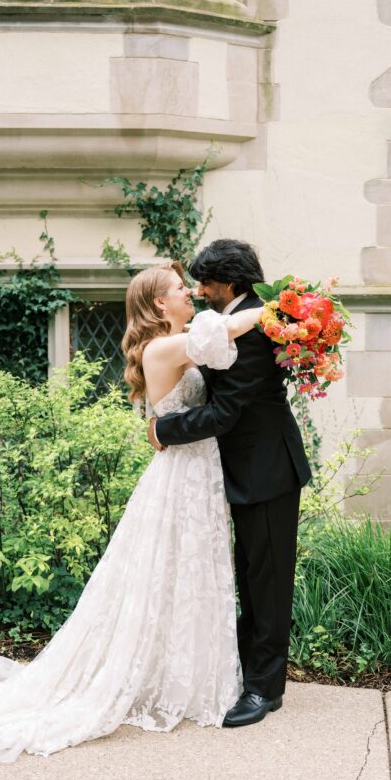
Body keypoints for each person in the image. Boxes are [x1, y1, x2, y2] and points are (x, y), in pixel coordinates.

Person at [0, 262, 263, 774]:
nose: (189, 292)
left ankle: (182, 673)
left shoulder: (177, 341)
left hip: (194, 469)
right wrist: (282, 308)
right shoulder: (161, 348)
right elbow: (231, 327)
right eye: (178, 289)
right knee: (172, 569)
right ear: (157, 304)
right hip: (182, 475)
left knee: (184, 572)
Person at [149, 239, 312, 728]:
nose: (200, 291)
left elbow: (224, 413)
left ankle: (265, 690)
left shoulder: (254, 327)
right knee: (251, 575)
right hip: (246, 470)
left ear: (230, 282)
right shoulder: (239, 317)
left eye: (206, 282)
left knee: (268, 581)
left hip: (268, 470)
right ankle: (249, 672)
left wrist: (163, 430)